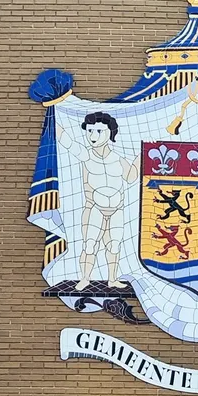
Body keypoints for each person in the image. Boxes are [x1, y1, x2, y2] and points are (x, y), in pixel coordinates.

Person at [57, 112, 139, 290]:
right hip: (95, 208)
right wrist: (53, 113)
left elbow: (131, 176)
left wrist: (143, 155)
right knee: (89, 245)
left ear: (110, 132)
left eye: (99, 131)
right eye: (90, 131)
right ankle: (85, 278)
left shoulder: (118, 159)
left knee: (114, 246)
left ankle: (112, 279)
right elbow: (66, 141)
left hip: (117, 209)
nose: (93, 136)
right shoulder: (86, 155)